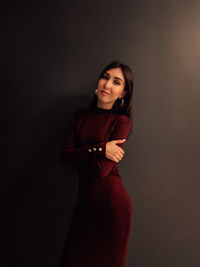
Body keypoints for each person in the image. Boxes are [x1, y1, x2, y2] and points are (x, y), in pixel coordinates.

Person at [60, 60, 134, 267]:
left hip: (112, 207)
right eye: (105, 77)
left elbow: (101, 172)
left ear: (123, 93)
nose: (107, 84)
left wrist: (81, 155)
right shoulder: (80, 116)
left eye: (116, 82)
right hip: (84, 204)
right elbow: (65, 156)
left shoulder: (122, 122)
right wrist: (101, 149)